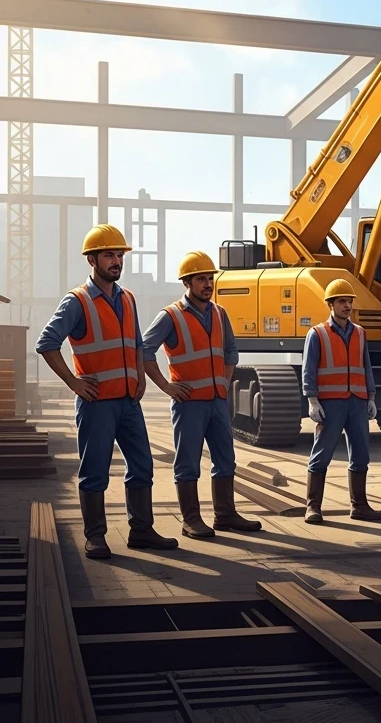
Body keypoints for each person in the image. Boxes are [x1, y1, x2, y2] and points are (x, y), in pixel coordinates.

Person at [36, 224, 178, 559]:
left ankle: (141, 530)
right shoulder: (78, 302)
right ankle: (95, 536)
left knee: (142, 466)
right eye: (109, 255)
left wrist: (141, 378)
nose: (116, 261)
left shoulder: (127, 298)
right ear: (92, 259)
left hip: (129, 401)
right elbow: (47, 343)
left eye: (119, 255)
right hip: (97, 404)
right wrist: (73, 382)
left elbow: (137, 344)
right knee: (95, 470)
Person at [142, 251, 260, 539]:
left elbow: (231, 351)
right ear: (187, 282)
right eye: (201, 279)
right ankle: (191, 519)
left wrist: (224, 381)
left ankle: (225, 515)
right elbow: (144, 350)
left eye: (210, 278)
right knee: (187, 461)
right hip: (189, 404)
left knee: (225, 459)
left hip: (217, 401)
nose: (208, 284)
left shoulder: (220, 313)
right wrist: (167, 387)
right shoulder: (170, 316)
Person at [301, 278, 381, 525]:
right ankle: (312, 507)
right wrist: (312, 400)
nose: (347, 306)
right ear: (331, 304)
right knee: (321, 454)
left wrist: (371, 397)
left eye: (349, 301)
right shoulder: (316, 334)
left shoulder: (360, 333)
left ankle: (359, 505)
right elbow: (309, 369)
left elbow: (366, 366)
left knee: (361, 454)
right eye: (342, 301)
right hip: (330, 404)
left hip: (357, 402)